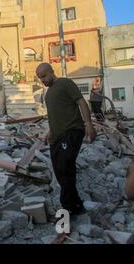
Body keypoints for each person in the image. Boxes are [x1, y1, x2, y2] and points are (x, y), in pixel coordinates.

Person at [36, 63, 96, 215]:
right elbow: (54, 117)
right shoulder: (48, 94)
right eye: (39, 78)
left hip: (71, 132)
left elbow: (81, 101)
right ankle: (75, 204)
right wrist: (49, 133)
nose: (42, 80)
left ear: (51, 72)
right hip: (56, 137)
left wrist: (88, 124)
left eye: (44, 76)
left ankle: (67, 208)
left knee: (65, 167)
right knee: (59, 171)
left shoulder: (65, 83)